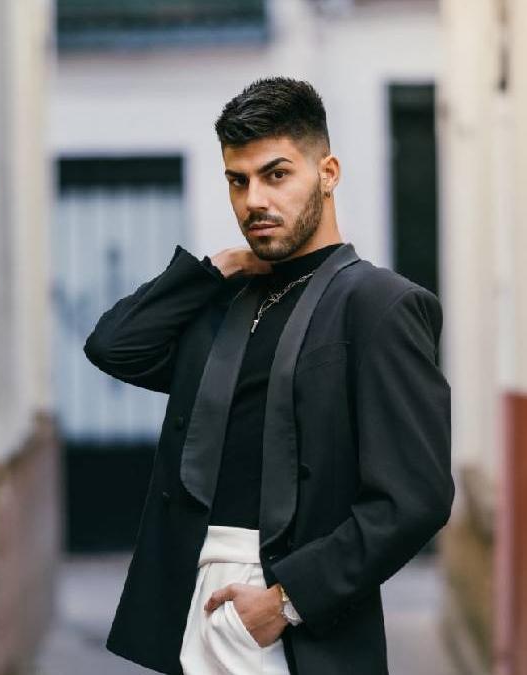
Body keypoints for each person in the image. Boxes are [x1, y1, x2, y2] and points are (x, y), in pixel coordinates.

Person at [83, 76, 454, 675]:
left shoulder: (379, 307)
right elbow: (114, 345)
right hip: (195, 607)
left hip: (295, 617)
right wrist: (218, 267)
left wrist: (287, 601)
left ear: (327, 173)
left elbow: (415, 499)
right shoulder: (225, 304)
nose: (254, 199)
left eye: (275, 174)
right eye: (238, 181)